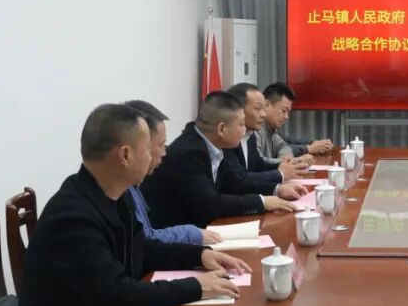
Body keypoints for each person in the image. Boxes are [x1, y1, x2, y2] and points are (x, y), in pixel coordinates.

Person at [19, 103, 251, 306]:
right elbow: (117, 296)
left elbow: (143, 249)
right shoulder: (72, 217)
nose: (156, 156)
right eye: (150, 149)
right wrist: (197, 286)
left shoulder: (113, 196)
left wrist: (200, 256)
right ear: (126, 155)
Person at [142, 92, 299, 229]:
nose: (244, 130)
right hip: (177, 238)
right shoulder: (188, 153)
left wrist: (276, 190)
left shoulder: (213, 144)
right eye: (241, 124)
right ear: (221, 129)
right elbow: (210, 204)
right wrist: (263, 202)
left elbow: (234, 182)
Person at [123, 100, 222, 245]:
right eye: (161, 145)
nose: (164, 153)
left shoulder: (133, 183)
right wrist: (191, 234)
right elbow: (145, 241)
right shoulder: (119, 190)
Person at [222, 83, 309, 198]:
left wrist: (278, 185)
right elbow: (238, 181)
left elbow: (258, 165)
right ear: (238, 110)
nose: (263, 114)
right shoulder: (227, 139)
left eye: (263, 109)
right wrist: (280, 174)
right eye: (258, 109)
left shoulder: (249, 135)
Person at [258, 82, 333, 164]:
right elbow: (258, 164)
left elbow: (284, 146)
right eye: (284, 111)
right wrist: (295, 161)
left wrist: (285, 158)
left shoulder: (272, 132)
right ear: (267, 105)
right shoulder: (256, 130)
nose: (286, 117)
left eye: (288, 112)